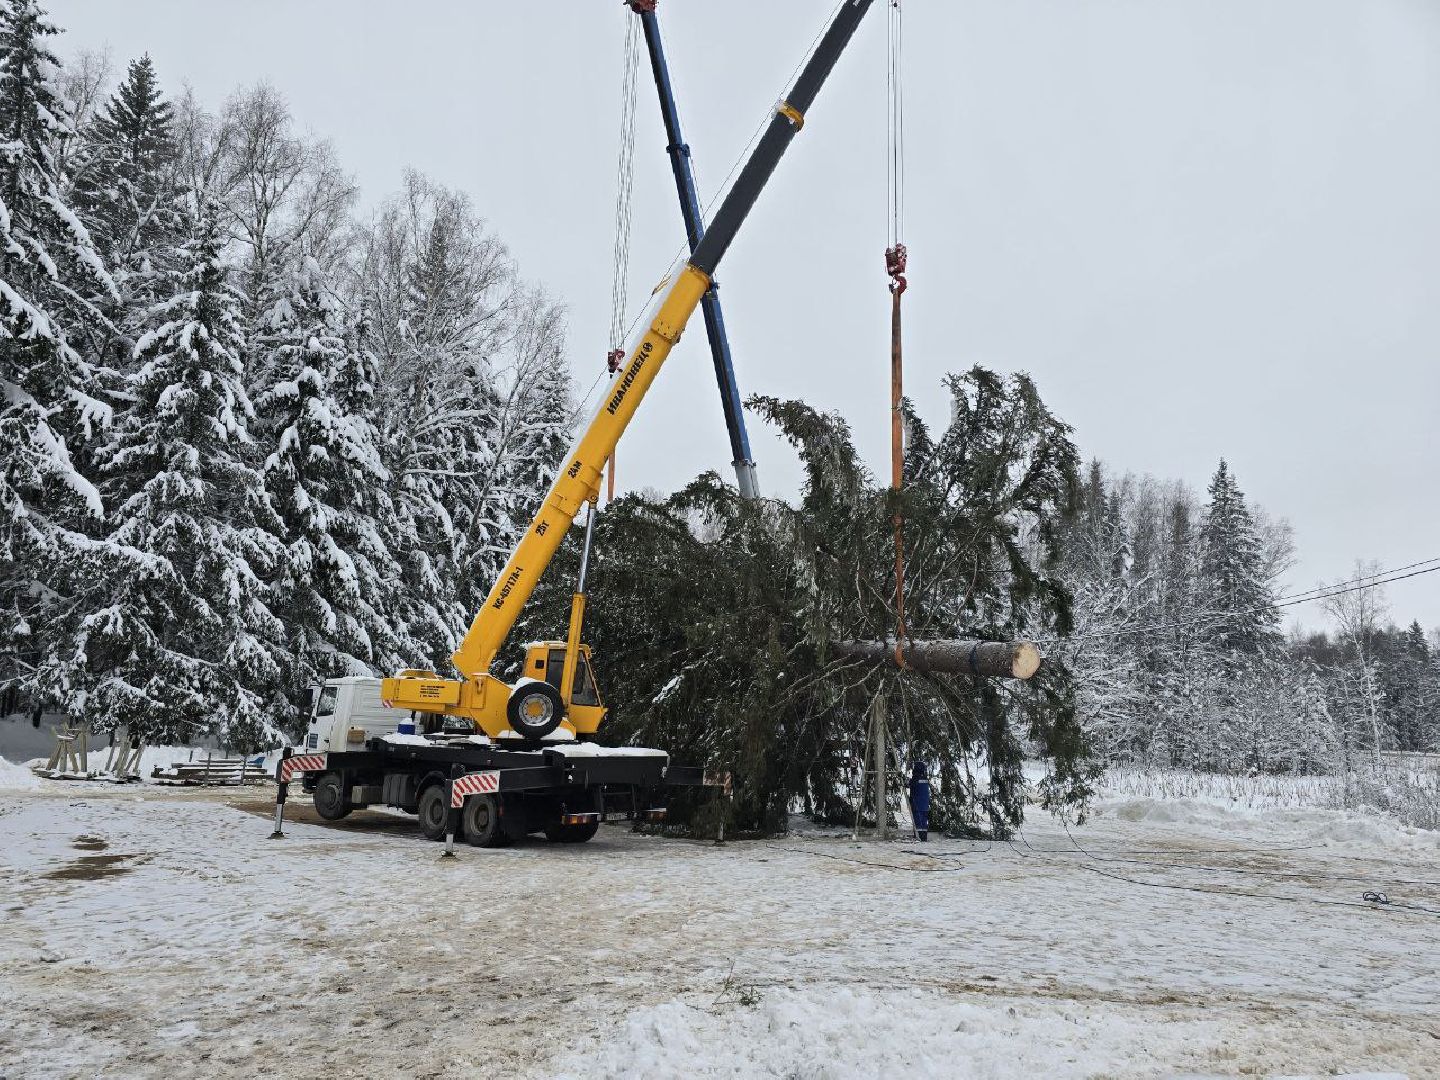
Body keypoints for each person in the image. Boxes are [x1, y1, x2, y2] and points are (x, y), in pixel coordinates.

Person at [908, 761, 931, 841]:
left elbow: (909, 784)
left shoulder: (916, 779)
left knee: (918, 822)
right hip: (925, 804)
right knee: (924, 822)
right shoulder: (925, 779)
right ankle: (924, 836)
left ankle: (920, 837)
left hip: (917, 804)